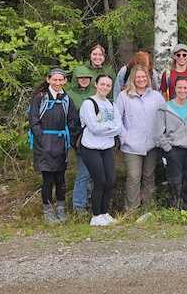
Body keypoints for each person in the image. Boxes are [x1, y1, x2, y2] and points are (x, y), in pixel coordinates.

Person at [29, 68, 81, 223]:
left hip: (60, 143)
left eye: (61, 80)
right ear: (48, 80)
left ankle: (61, 209)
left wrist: (77, 138)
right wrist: (42, 140)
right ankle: (48, 212)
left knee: (60, 179)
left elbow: (73, 121)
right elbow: (34, 121)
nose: (57, 83)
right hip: (44, 144)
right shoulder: (40, 98)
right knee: (48, 179)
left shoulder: (66, 99)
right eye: (55, 80)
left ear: (65, 81)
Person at [115, 65, 165, 212]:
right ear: (133, 79)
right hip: (131, 146)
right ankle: (131, 209)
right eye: (138, 77)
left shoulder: (156, 96)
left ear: (148, 78)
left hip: (151, 145)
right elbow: (117, 119)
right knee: (133, 176)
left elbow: (163, 117)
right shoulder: (123, 96)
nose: (141, 79)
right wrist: (125, 138)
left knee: (149, 176)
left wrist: (160, 137)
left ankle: (148, 209)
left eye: (144, 77)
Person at [79, 74, 122, 226]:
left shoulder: (111, 104)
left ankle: (105, 213)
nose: (105, 87)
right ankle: (96, 215)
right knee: (100, 181)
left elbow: (118, 127)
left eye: (108, 85)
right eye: (102, 84)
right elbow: (94, 128)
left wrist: (106, 128)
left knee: (110, 181)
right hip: (91, 148)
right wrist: (109, 127)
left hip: (107, 148)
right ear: (96, 84)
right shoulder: (89, 104)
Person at [155, 75, 187, 210]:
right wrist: (168, 148)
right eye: (179, 87)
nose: (182, 90)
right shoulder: (165, 109)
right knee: (175, 180)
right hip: (174, 149)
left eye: (185, 88)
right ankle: (174, 206)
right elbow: (158, 133)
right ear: (175, 88)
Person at [67, 65, 95, 214]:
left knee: (97, 172)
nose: (84, 80)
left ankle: (96, 203)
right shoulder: (69, 95)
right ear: (76, 79)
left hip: (97, 138)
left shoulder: (95, 92)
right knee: (84, 171)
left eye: (87, 78)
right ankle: (79, 204)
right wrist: (76, 136)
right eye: (81, 77)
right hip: (79, 138)